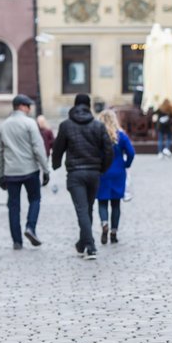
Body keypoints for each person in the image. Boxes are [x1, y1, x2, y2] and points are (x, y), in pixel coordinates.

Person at [52, 93, 113, 260]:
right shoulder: (98, 126)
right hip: (94, 173)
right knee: (87, 208)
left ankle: (90, 247)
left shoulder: (66, 126)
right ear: (89, 106)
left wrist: (55, 164)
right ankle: (82, 243)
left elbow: (58, 148)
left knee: (82, 210)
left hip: (75, 174)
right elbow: (109, 150)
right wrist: (102, 168)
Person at [0, 94, 51, 249]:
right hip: (29, 170)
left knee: (13, 206)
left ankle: (17, 241)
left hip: (11, 172)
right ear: (21, 106)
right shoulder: (30, 123)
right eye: (28, 106)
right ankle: (30, 227)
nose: (30, 109)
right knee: (35, 199)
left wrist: (1, 175)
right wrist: (45, 170)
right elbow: (38, 148)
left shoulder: (4, 125)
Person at [96, 110, 135, 245]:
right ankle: (114, 232)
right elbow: (131, 152)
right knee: (116, 203)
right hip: (118, 171)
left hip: (102, 171)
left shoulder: (98, 135)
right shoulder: (121, 135)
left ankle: (104, 222)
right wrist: (126, 164)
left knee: (102, 201)